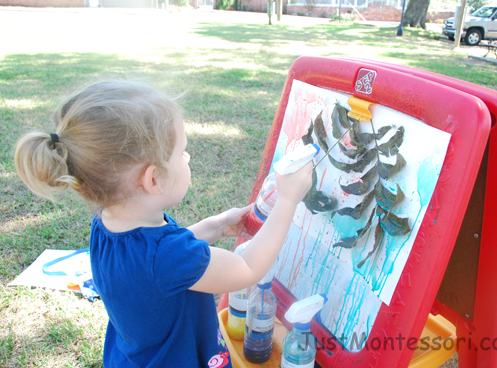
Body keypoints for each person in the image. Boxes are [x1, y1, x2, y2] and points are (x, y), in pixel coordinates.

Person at [13, 81, 313, 368]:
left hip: (134, 357)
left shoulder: (107, 223)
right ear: (153, 178)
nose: (188, 156)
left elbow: (157, 265)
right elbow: (246, 268)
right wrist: (286, 201)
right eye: (181, 151)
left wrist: (216, 226)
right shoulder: (165, 256)